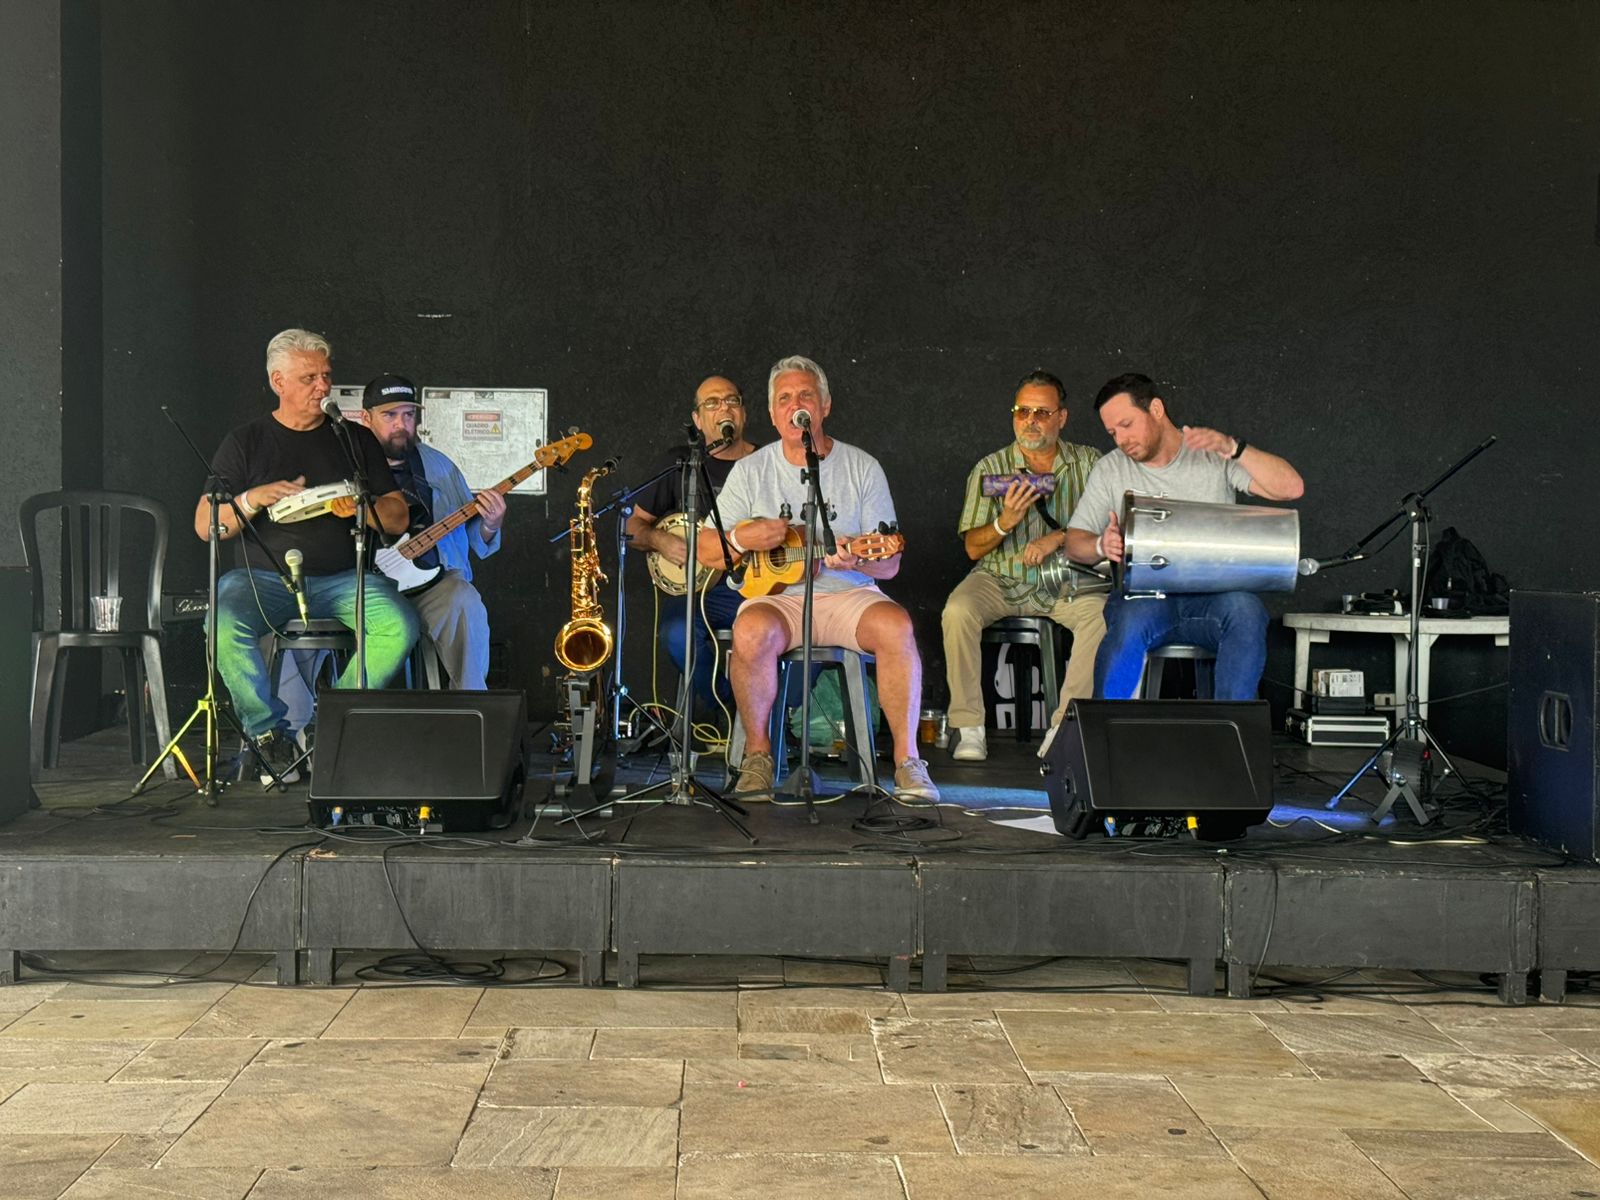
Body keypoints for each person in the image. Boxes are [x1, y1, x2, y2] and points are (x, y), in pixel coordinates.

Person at [695, 355, 939, 803]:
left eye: (805, 395)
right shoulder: (751, 470)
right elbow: (707, 550)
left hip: (848, 595)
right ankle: (758, 757)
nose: (795, 405)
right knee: (750, 630)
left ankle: (908, 762)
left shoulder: (862, 467)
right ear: (772, 414)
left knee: (896, 626)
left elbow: (889, 565)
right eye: (784, 399)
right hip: (780, 599)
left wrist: (856, 560)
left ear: (824, 405)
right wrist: (742, 536)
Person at [195, 329, 419, 785]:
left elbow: (397, 519)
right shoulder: (245, 442)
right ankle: (267, 735)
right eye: (309, 378)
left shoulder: (354, 440)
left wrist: (362, 507)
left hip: (343, 578)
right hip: (265, 580)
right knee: (222, 620)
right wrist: (254, 498)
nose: (323, 387)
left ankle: (329, 724)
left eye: (326, 376)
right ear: (278, 382)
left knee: (399, 625)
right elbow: (206, 525)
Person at [1063, 372, 1304, 704]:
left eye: (1127, 424)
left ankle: (1232, 729)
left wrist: (1236, 449)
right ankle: (1107, 727)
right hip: (1144, 599)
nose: (1121, 439)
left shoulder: (1211, 455)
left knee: (1246, 611)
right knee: (1128, 624)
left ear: (1156, 409)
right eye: (1113, 432)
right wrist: (1100, 545)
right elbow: (1073, 542)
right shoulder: (1110, 469)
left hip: (1213, 599)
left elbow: (1291, 488)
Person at [940, 370, 1106, 762]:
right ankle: (969, 727)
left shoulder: (1090, 463)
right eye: (1022, 411)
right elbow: (972, 548)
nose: (1030, 421)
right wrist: (1005, 522)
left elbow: (1111, 526)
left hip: (1066, 579)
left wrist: (1059, 537)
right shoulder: (990, 467)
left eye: (1042, 413)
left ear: (1062, 417)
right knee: (958, 610)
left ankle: (1064, 729)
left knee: (1100, 616)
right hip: (1000, 576)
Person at [360, 374, 505, 689]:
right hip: (362, 587)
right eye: (389, 415)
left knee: (465, 600)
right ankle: (306, 716)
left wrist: (491, 524)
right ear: (365, 418)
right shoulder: (349, 466)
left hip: (431, 587)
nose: (401, 424)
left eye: (408, 415)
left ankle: (471, 706)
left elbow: (474, 538)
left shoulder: (439, 467)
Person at [624, 375, 757, 714]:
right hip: (699, 593)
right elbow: (632, 527)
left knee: (795, 632)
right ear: (697, 419)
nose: (724, 408)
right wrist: (659, 539)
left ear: (743, 413)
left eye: (732, 400)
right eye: (712, 403)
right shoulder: (681, 465)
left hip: (760, 589)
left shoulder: (767, 463)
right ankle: (729, 707)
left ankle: (764, 715)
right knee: (677, 634)